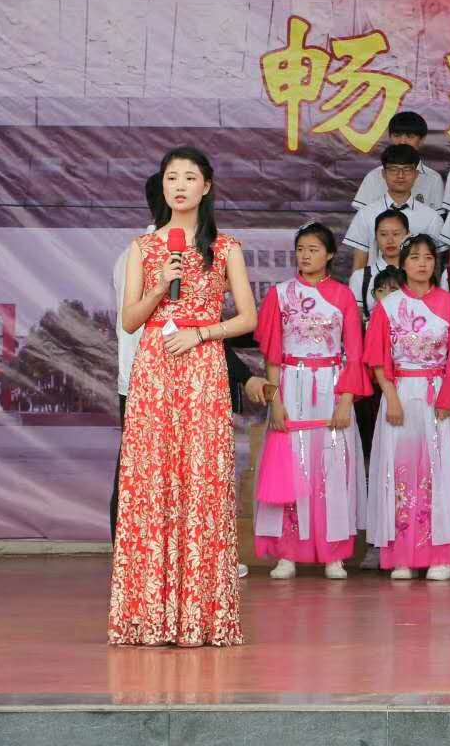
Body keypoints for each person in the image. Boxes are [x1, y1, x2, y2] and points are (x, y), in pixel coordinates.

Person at [110, 147, 257, 647]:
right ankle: (148, 615)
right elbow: (130, 320)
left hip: (203, 367)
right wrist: (158, 289)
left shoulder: (227, 248)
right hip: (154, 369)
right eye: (171, 177)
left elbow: (249, 318)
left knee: (201, 480)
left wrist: (202, 333)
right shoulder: (142, 248)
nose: (179, 186)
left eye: (189, 177)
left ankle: (201, 613)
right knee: (152, 482)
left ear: (206, 186)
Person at [252, 223, 369, 580]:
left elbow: (355, 354)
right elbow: (273, 356)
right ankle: (287, 553)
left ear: (330, 254)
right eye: (301, 248)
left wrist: (346, 401)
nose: (305, 255)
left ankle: (334, 554)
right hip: (292, 382)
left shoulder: (343, 296)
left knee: (332, 466)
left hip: (331, 384)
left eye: (314, 249)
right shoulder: (280, 295)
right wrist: (275, 401)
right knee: (291, 465)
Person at [364, 234, 450, 580]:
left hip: (439, 393)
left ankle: (440, 556)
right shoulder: (388, 306)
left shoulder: (449, 303)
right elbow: (377, 358)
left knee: (438, 471)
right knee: (400, 470)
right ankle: (402, 556)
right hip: (400, 392)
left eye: (428, 257)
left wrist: (448, 397)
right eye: (414, 257)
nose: (422, 263)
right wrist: (391, 396)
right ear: (403, 263)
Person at [110, 173, 165, 539]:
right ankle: (129, 554)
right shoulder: (140, 254)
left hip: (171, 379)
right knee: (137, 472)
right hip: (147, 379)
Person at [346, 144, 442, 270]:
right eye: (393, 169)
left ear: (416, 174)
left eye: (407, 169)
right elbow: (359, 263)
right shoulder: (366, 214)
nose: (400, 175)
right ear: (383, 174)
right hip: (375, 282)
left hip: (415, 283)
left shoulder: (431, 217)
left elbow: (435, 265)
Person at [351, 110, 445, 214]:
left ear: (422, 140)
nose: (402, 142)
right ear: (390, 137)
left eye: (410, 136)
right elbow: (362, 216)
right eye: (397, 135)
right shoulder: (374, 176)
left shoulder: (433, 178)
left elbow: (437, 218)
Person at [348, 209, 409, 321]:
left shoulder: (415, 274)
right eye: (383, 234)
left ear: (408, 235)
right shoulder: (360, 277)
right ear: (376, 237)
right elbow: (355, 323)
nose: (390, 240)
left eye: (396, 234)